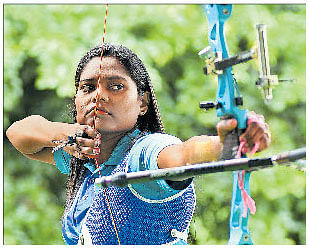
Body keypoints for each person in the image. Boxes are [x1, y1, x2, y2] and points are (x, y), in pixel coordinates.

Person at [6, 43, 270, 245]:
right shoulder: (85, 154)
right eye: (87, 88)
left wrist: (226, 143)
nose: (98, 96)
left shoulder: (144, 152)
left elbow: (185, 154)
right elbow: (18, 134)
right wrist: (67, 135)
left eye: (116, 87)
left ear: (142, 102)